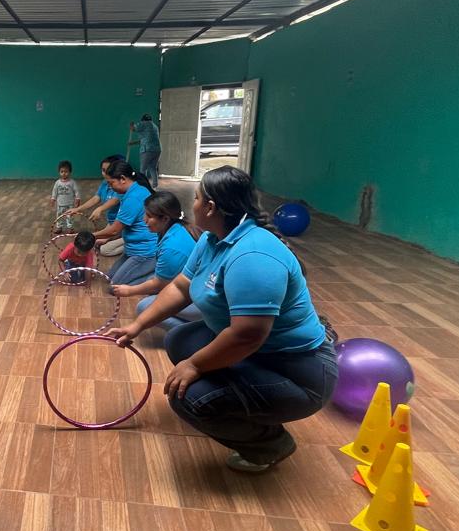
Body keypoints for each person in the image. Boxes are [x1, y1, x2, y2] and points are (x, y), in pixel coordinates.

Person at [109, 166, 337, 473]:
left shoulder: (252, 257)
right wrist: (138, 326)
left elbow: (246, 336)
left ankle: (269, 445)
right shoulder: (212, 238)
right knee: (179, 339)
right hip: (260, 351)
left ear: (210, 207)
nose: (192, 205)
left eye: (196, 198)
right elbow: (181, 287)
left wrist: (195, 365)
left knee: (188, 398)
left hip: (298, 372)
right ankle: (229, 401)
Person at [109, 192, 202, 337]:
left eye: (149, 216)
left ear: (165, 218)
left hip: (199, 300)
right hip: (190, 287)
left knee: (145, 308)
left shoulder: (172, 247)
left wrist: (130, 290)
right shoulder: (174, 228)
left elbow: (160, 284)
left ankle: (198, 333)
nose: (144, 220)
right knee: (149, 283)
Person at [91, 160, 156, 286]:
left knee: (114, 287)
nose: (110, 187)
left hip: (144, 252)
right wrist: (104, 238)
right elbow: (120, 227)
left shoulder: (133, 198)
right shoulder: (134, 191)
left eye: (111, 183)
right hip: (131, 249)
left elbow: (115, 230)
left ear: (122, 179)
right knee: (109, 277)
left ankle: (156, 278)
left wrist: (91, 236)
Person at [62, 155, 126, 257]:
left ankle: (132, 244)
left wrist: (100, 209)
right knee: (97, 242)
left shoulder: (121, 186)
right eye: (103, 170)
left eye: (108, 170)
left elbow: (115, 199)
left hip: (123, 226)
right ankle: (119, 238)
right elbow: (96, 198)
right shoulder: (105, 183)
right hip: (112, 223)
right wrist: (77, 209)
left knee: (104, 249)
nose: (105, 173)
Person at [128, 114, 161, 189]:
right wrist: (133, 143)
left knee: (143, 169)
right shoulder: (155, 127)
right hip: (157, 150)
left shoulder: (143, 124)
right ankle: (155, 186)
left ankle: (143, 186)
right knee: (153, 168)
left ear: (143, 120)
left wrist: (131, 125)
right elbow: (145, 139)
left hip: (147, 150)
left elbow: (133, 129)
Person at [49, 161, 81, 230]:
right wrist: (53, 198)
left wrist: (78, 199)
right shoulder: (57, 183)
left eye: (66, 171)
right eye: (62, 171)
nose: (64, 173)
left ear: (70, 172)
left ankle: (70, 227)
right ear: (59, 172)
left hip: (69, 204)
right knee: (59, 216)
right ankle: (59, 227)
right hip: (60, 204)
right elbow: (54, 191)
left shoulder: (72, 182)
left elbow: (76, 191)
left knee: (69, 216)